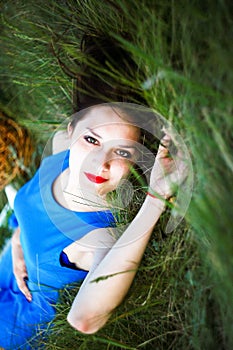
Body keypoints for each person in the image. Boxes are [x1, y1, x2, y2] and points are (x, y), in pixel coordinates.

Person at [0, 34, 187, 349]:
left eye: (123, 153)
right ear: (72, 130)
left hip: (17, 320)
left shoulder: (99, 237)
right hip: (8, 262)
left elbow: (84, 319)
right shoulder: (60, 147)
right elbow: (31, 211)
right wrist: (18, 243)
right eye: (92, 140)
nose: (101, 163)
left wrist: (156, 199)